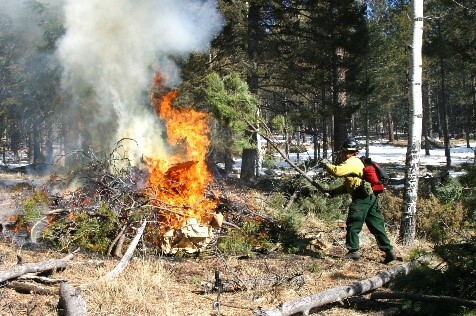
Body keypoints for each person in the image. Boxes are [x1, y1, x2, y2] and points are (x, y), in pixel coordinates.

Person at [319, 137, 396, 263]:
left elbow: (337, 172)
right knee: (376, 224)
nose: (343, 155)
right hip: (370, 196)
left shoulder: (352, 162)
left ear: (348, 151)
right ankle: (389, 250)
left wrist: (325, 165)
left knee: (353, 223)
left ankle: (353, 251)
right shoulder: (357, 162)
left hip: (361, 197)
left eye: (344, 152)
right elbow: (349, 186)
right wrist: (333, 192)